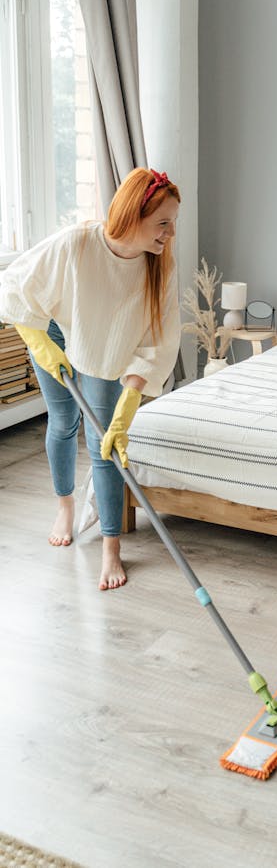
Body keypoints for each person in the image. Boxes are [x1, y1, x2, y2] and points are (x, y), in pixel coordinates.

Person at [0, 168, 181, 590]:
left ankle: (110, 548)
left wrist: (128, 406)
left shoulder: (159, 267)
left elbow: (158, 341)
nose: (171, 233)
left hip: (106, 343)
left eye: (173, 223)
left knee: (107, 444)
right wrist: (41, 344)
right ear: (134, 216)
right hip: (56, 327)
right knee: (64, 423)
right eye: (163, 223)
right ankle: (65, 506)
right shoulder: (77, 242)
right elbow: (13, 287)